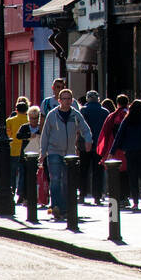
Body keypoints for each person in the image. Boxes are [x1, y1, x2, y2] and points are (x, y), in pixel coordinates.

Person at [39, 89, 94, 221]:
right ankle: (57, 206)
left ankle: (63, 209)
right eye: (64, 98)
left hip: (70, 154)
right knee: (56, 180)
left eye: (69, 98)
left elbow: (85, 129)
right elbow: (45, 135)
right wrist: (43, 153)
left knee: (66, 181)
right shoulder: (52, 115)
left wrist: (88, 140)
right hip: (54, 152)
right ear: (59, 100)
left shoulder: (75, 115)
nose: (67, 101)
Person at [112, 100, 141, 210]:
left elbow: (119, 135)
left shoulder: (127, 120)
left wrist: (112, 151)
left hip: (130, 151)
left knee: (132, 176)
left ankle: (135, 201)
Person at [80, 91, 110, 205]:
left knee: (84, 170)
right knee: (98, 171)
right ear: (98, 99)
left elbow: (79, 127)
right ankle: (97, 196)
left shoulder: (83, 110)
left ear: (87, 99)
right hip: (99, 145)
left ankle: (82, 194)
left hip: (85, 145)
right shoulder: (104, 112)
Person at [7, 98, 30, 202]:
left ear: (16, 110)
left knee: (11, 173)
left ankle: (11, 192)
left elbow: (7, 135)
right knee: (22, 173)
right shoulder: (28, 121)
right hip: (25, 150)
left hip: (13, 149)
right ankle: (21, 194)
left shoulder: (10, 121)